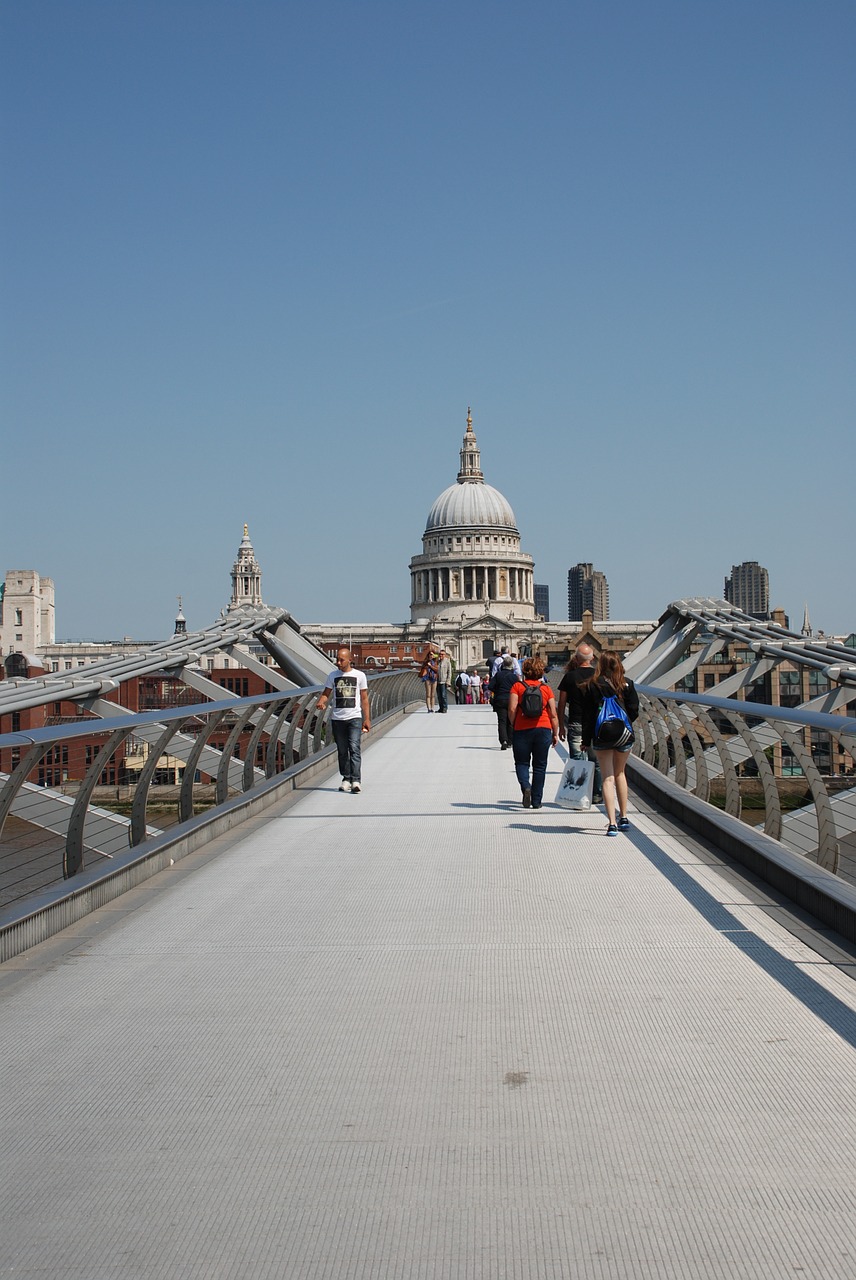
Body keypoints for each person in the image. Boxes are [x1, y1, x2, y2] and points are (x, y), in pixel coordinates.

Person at [571, 649, 639, 835]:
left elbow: (588, 716)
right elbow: (634, 710)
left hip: (601, 736)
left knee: (607, 778)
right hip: (624, 735)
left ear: (600, 664)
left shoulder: (592, 685)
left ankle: (611, 824)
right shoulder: (627, 684)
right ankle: (624, 817)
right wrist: (624, 724)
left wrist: (585, 740)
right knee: (620, 774)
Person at [316, 647, 371, 793]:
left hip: (354, 717)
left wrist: (367, 719)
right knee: (342, 751)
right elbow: (326, 693)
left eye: (341, 660)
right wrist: (322, 701)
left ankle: (356, 780)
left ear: (350, 660)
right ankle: (346, 778)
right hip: (337, 718)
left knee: (354, 748)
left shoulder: (360, 676)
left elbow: (364, 698)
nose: (338, 662)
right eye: (337, 659)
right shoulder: (332, 676)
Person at [508, 656, 559, 809]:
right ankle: (536, 801)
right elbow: (553, 714)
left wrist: (514, 723)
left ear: (524, 671)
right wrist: (555, 733)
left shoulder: (517, 686)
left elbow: (511, 709)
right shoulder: (546, 689)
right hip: (543, 729)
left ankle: (526, 787)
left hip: (522, 729)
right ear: (540, 671)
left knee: (522, 763)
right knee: (540, 766)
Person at [557, 643, 602, 800]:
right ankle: (597, 794)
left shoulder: (570, 677)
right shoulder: (598, 677)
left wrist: (560, 726)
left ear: (576, 659)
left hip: (576, 722)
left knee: (577, 760)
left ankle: (579, 794)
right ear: (592, 659)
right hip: (595, 724)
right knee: (595, 761)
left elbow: (561, 703)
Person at [488, 653, 517, 749]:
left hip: (500, 700)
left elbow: (490, 686)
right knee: (511, 721)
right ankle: (510, 741)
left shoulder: (498, 675)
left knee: (502, 721)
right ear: (511, 666)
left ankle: (503, 740)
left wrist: (498, 691)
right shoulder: (514, 677)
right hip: (511, 700)